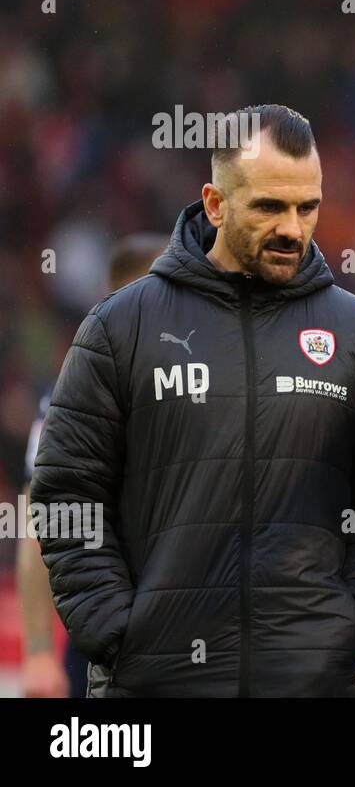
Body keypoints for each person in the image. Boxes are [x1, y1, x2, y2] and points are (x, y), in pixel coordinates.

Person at [31, 104, 355, 697]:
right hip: (152, 685)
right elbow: (66, 490)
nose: (293, 228)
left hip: (310, 682)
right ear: (215, 204)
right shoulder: (120, 328)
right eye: (270, 206)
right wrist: (118, 630)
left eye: (307, 206)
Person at [19, 234, 168, 697]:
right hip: (105, 639)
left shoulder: (207, 389)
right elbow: (39, 523)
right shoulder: (71, 403)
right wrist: (40, 651)